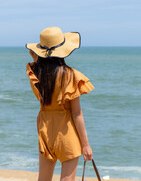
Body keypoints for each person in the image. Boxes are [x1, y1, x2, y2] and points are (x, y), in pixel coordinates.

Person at [26, 27, 94, 181]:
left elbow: (36, 61)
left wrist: (40, 57)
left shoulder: (35, 74)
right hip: (66, 132)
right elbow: (76, 113)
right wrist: (86, 145)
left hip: (45, 130)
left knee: (43, 179)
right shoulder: (70, 76)